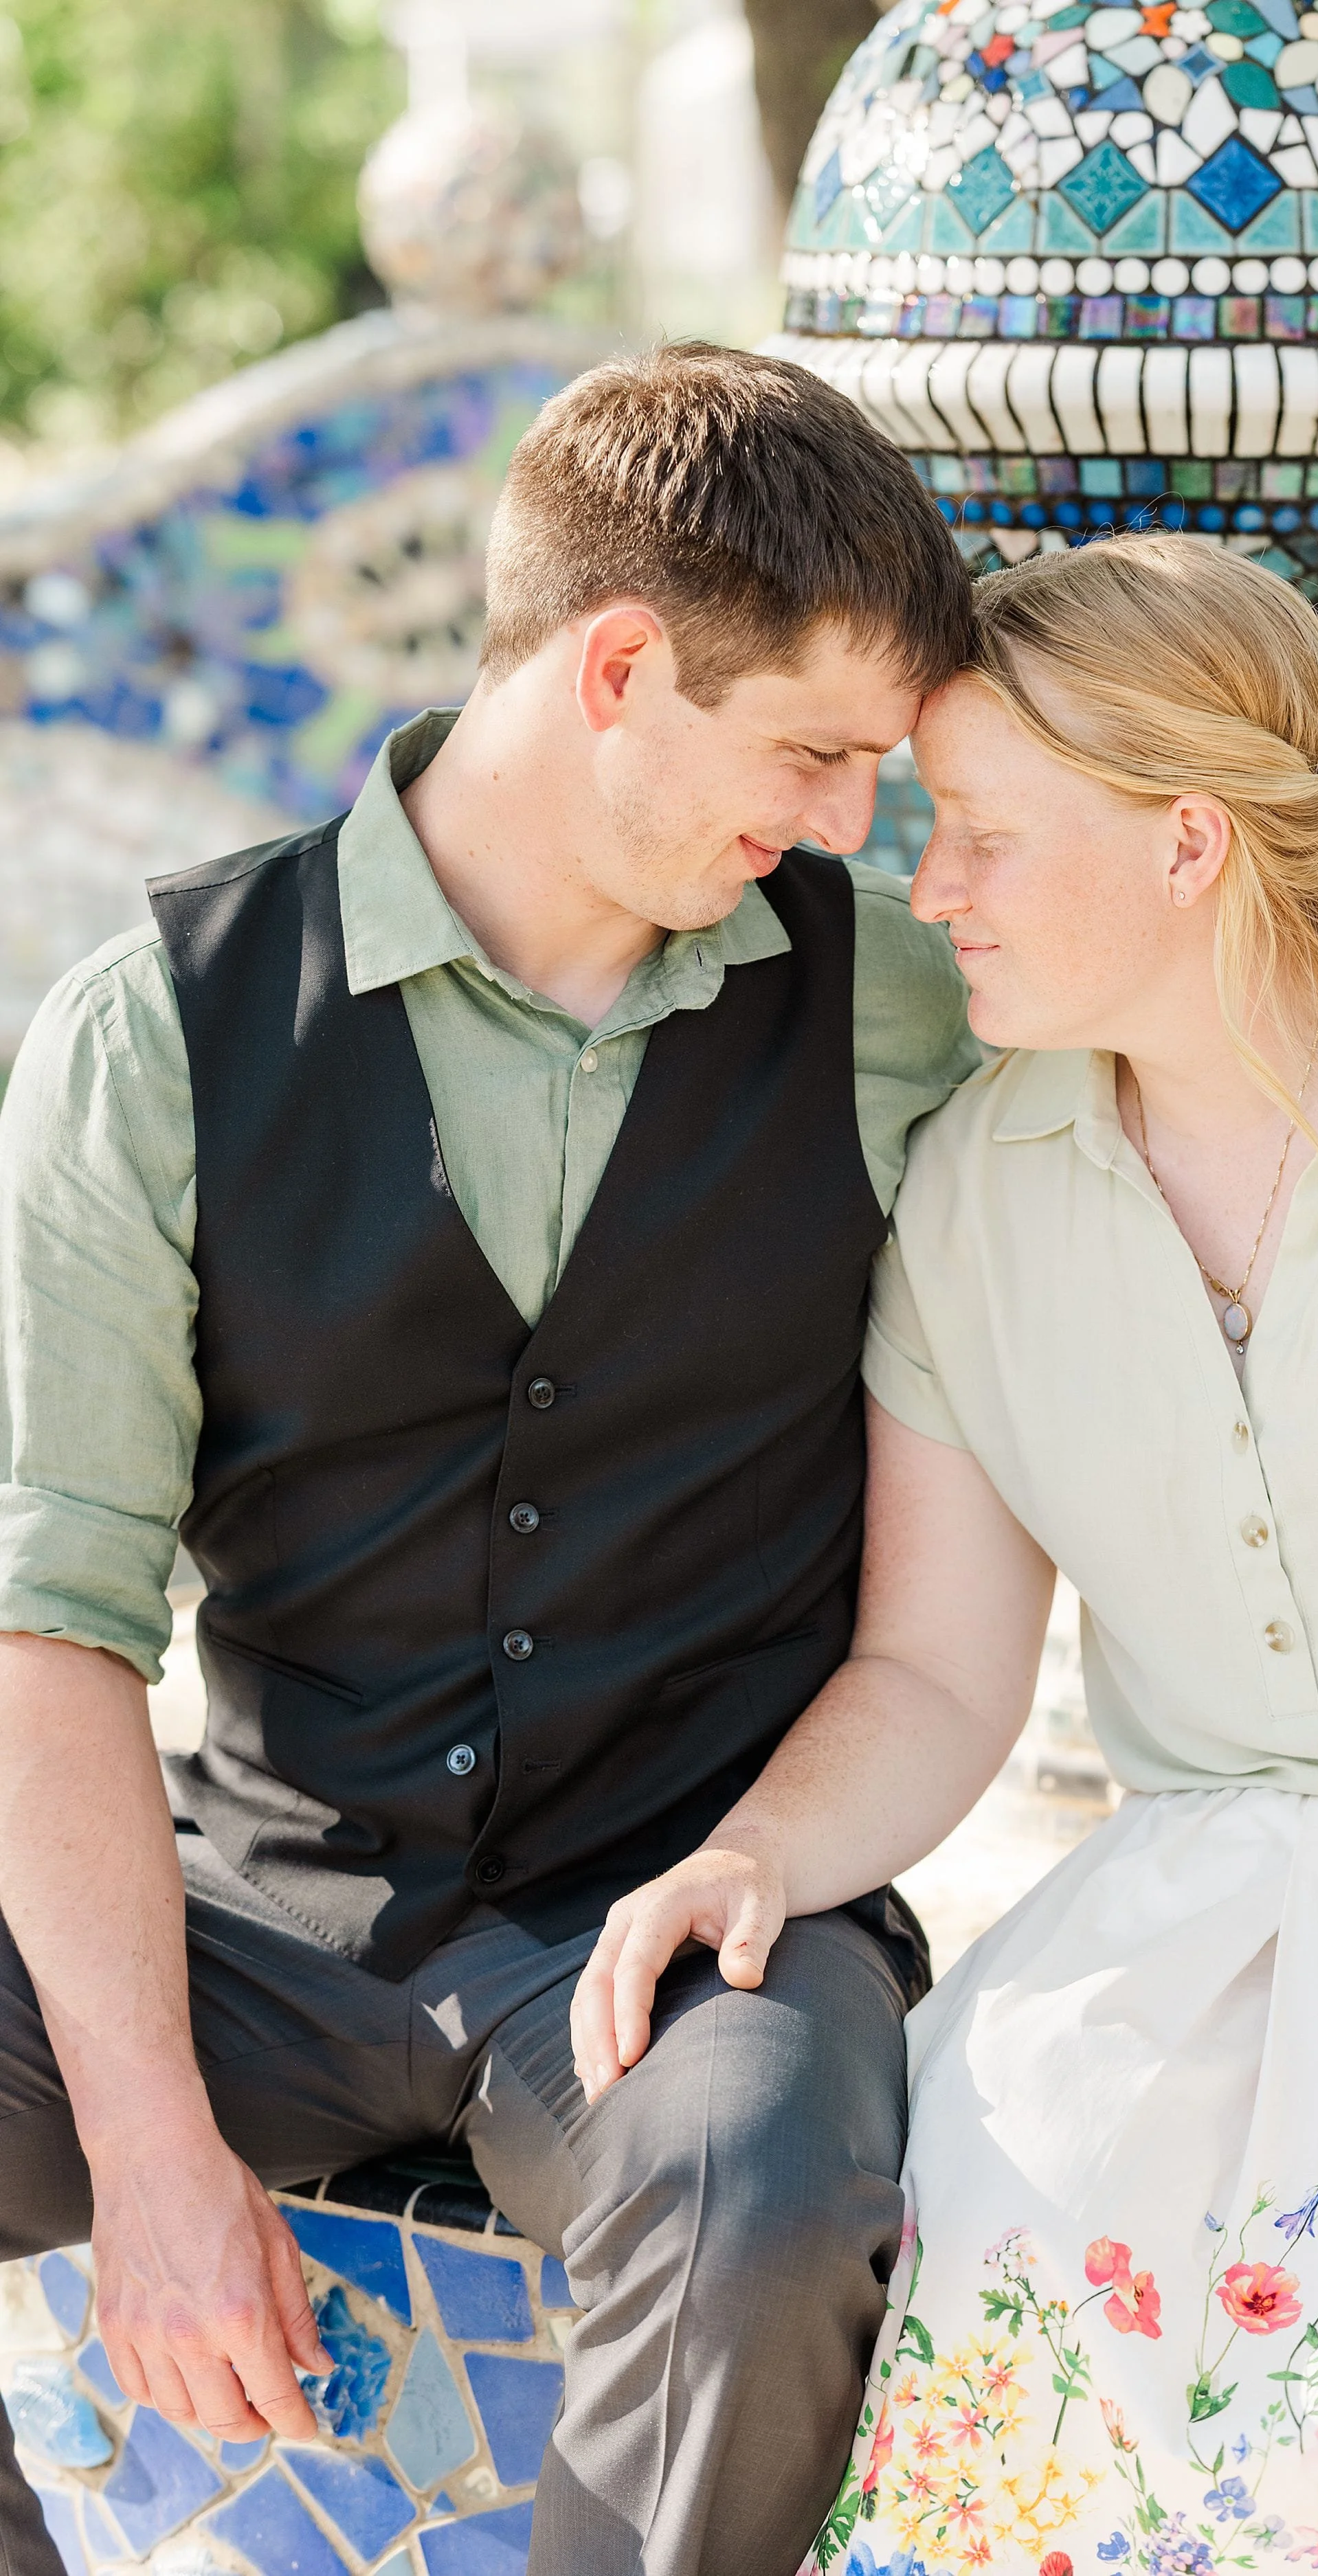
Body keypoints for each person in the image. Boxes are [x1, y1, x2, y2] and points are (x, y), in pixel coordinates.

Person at [572, 533, 1318, 2576]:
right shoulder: (971, 1192)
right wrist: (753, 1853)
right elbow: (935, 1676)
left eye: (982, 836)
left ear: (1189, 843)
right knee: (1017, 2341)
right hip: (1199, 1913)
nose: (925, 890)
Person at [0, 343, 982, 2576]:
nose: (849, 822)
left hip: (699, 1905)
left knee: (753, 2210)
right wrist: (153, 2145)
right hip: (271, 1897)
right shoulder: (157, 1026)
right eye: (815, 752)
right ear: (619, 665)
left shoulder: (899, 1008)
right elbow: (48, 1628)